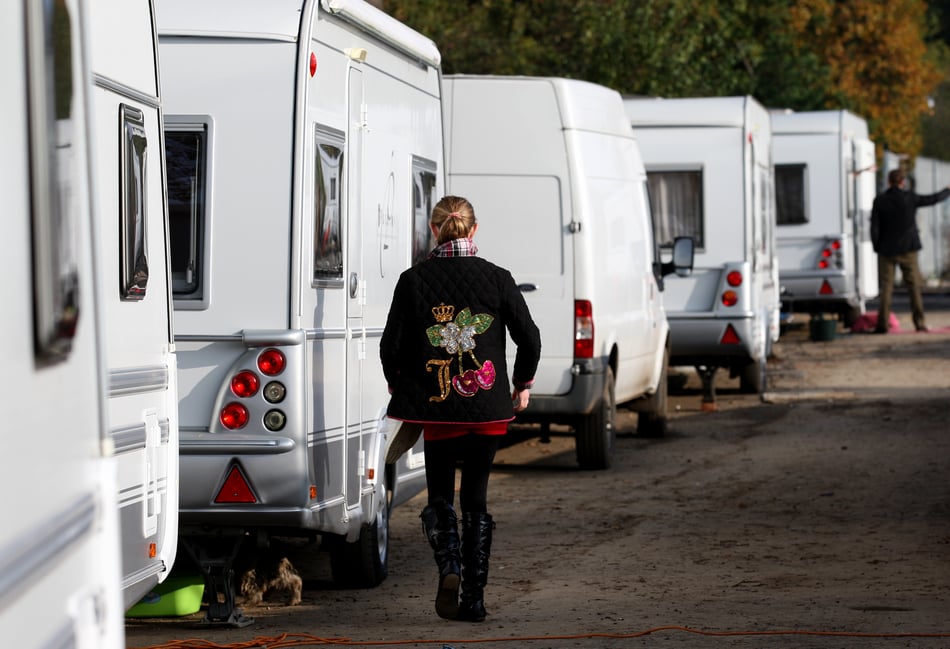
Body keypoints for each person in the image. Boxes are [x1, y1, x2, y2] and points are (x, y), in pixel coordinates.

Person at [380, 195, 541, 622]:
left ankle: (449, 567)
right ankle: (475, 600)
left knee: (440, 495)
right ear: (474, 229)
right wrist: (522, 384)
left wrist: (402, 387)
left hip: (439, 411)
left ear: (434, 229)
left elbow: (390, 347)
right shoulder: (498, 278)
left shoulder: (413, 280)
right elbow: (530, 338)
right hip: (488, 408)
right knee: (476, 499)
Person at [870, 168, 950, 333]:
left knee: (886, 288)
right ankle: (919, 322)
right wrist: (947, 191)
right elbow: (932, 199)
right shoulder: (910, 198)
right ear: (903, 182)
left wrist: (877, 246)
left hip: (887, 250)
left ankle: (882, 325)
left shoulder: (880, 200)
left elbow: (874, 227)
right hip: (908, 249)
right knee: (913, 288)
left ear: (888, 182)